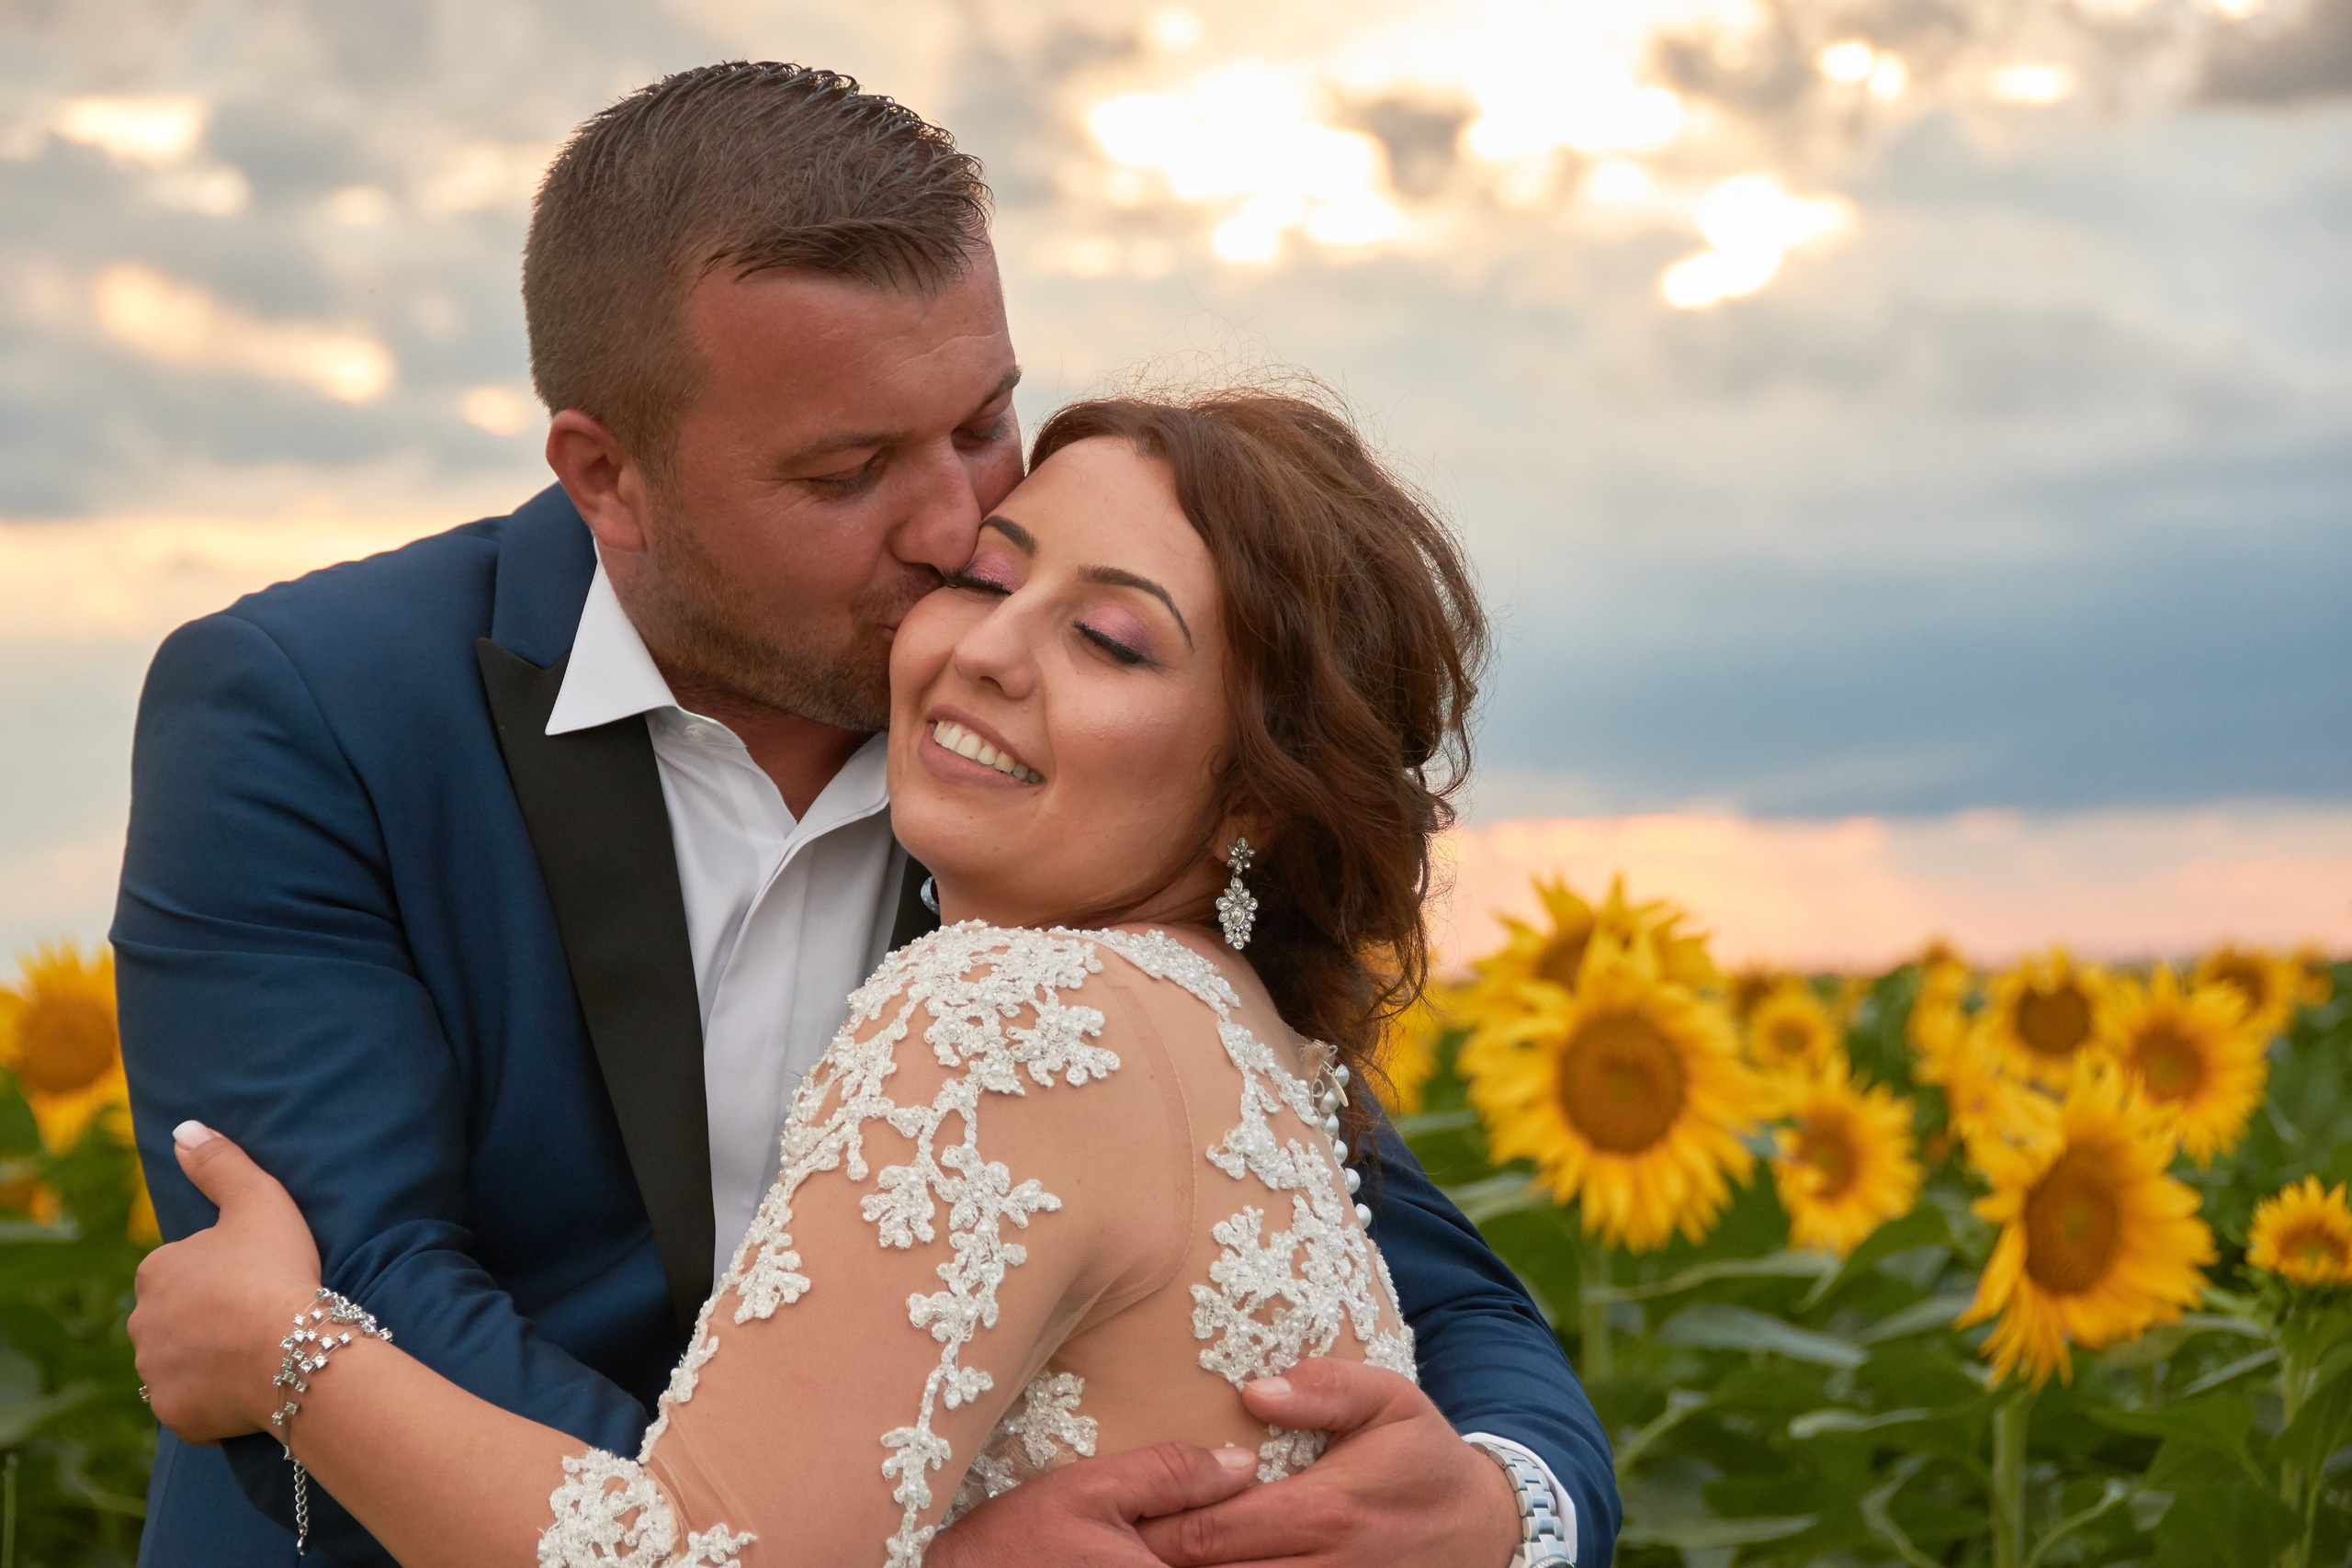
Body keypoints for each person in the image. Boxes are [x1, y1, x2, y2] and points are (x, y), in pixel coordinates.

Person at [113, 63, 1614, 1568]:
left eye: (983, 420)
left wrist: (1505, 1508)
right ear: (605, 475)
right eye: (848, 473)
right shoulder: (308, 712)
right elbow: (364, 1274)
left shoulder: (1050, 785)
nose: (957, 528)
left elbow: (1401, 1260)